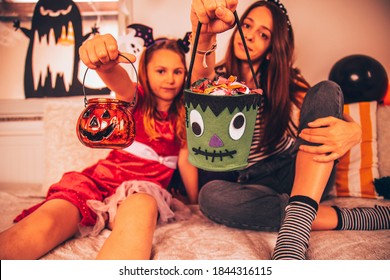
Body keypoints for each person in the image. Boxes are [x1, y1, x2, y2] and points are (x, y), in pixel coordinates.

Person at [190, 0, 389, 260]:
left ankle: (294, 233)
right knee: (210, 197)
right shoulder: (221, 79)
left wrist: (355, 131)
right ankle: (327, 215)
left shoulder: (286, 81)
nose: (249, 35)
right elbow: (199, 83)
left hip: (295, 168)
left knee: (326, 88)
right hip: (251, 181)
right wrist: (204, 35)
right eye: (247, 25)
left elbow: (326, 106)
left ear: (272, 49)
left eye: (263, 34)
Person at [0, 34, 198, 260]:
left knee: (142, 208)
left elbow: (186, 159)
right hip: (100, 181)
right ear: (145, 71)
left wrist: (194, 201)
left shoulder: (185, 115)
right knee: (48, 219)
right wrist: (106, 68)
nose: (170, 79)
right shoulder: (137, 98)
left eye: (178, 71)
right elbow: (120, 83)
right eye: (161, 71)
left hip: (142, 190)